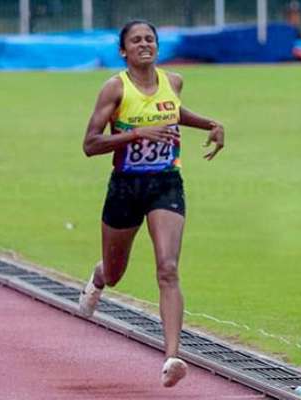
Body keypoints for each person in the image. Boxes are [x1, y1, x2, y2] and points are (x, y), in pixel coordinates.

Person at [79, 20, 224, 388]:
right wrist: (136, 134)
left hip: (165, 183)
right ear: (123, 50)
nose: (145, 44)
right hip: (126, 187)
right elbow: (90, 144)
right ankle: (98, 278)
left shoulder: (173, 81)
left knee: (168, 268)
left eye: (150, 39)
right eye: (136, 40)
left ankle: (172, 356)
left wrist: (210, 123)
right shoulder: (114, 87)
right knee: (115, 273)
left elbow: (174, 112)